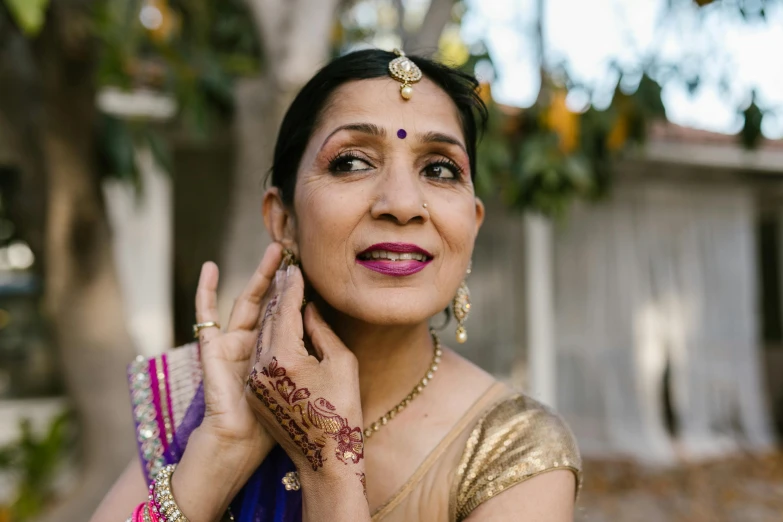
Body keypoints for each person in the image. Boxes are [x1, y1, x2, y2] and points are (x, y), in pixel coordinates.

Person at [91, 49, 581, 522]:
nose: (403, 203)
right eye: (351, 162)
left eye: (439, 169)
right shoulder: (207, 395)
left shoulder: (515, 451)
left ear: (472, 226)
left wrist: (329, 462)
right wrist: (220, 452)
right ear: (283, 221)